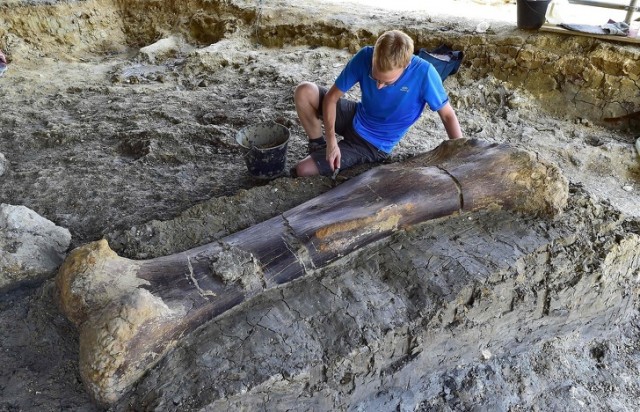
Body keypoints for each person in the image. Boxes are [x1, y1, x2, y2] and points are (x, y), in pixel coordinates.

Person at [292, 30, 462, 177]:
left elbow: (447, 115)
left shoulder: (425, 73)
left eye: (387, 83)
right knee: (305, 91)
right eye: (375, 78)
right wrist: (330, 142)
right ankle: (317, 145)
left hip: (373, 144)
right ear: (374, 55)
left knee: (302, 170)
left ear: (406, 65)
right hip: (357, 115)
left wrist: (461, 154)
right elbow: (331, 98)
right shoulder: (365, 55)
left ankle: (327, 156)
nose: (379, 86)